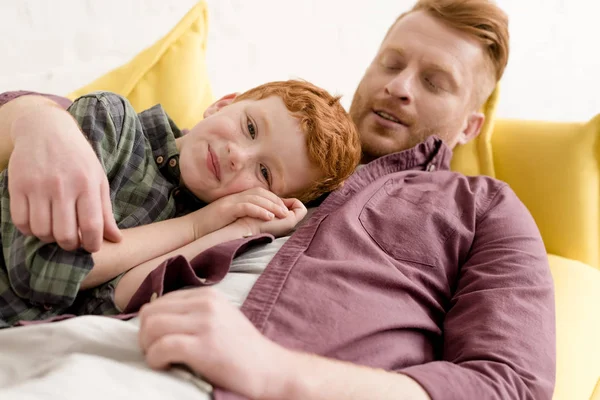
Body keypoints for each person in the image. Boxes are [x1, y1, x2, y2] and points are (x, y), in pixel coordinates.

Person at [0, 0, 556, 399]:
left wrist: (279, 374)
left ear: (471, 126)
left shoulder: (484, 208)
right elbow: (108, 139)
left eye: (436, 82)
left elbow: (509, 384)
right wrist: (37, 119)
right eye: (391, 62)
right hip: (68, 337)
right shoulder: (260, 147)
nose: (400, 86)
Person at [0, 80, 361, 325]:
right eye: (250, 128)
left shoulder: (206, 233)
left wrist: (243, 226)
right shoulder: (113, 120)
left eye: (265, 172)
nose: (238, 156)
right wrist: (200, 224)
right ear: (223, 104)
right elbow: (44, 270)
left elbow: (107, 306)